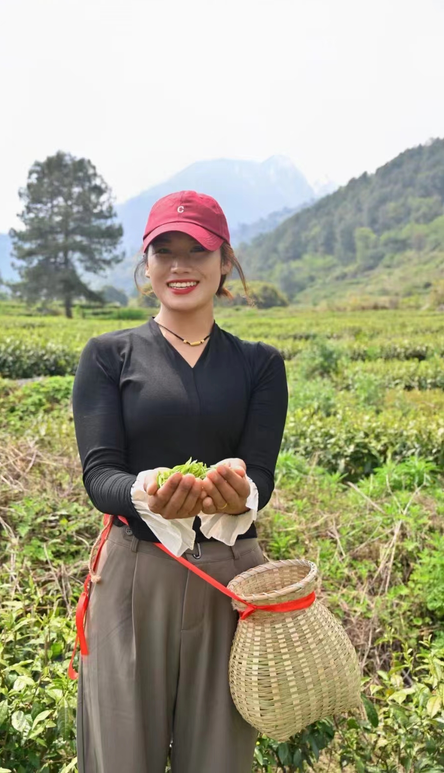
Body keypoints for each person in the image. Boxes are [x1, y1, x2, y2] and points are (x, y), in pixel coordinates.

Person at [72, 190, 289, 773]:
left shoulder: (259, 365)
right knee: (121, 753)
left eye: (197, 250)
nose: (179, 265)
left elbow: (260, 473)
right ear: (146, 266)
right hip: (135, 572)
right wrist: (148, 491)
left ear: (225, 263)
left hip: (228, 573)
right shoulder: (107, 357)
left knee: (219, 754)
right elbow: (100, 477)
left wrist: (240, 492)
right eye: (163, 250)